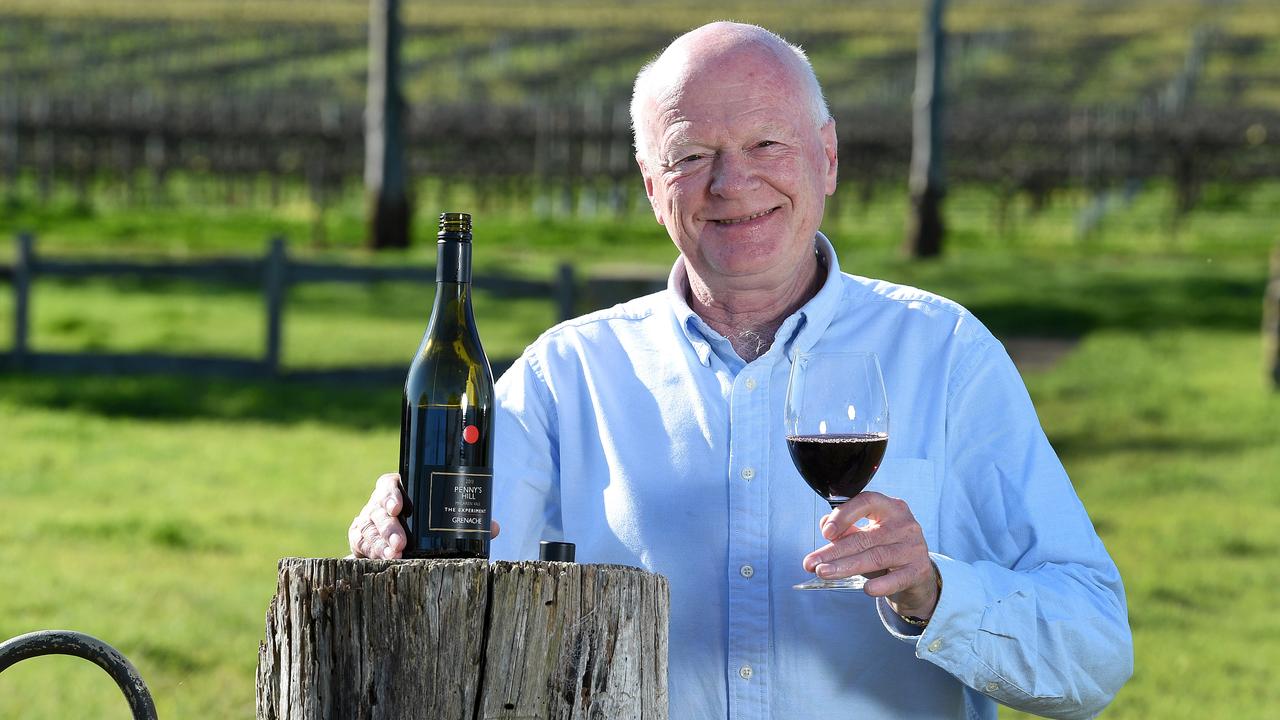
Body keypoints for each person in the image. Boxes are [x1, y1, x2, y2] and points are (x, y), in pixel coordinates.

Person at [349, 21, 1132, 719]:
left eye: (766, 143)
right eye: (692, 156)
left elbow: (1094, 657)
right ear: (655, 189)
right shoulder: (567, 377)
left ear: (826, 158)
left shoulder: (946, 354)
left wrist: (934, 592)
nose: (732, 183)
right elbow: (452, 585)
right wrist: (395, 543)